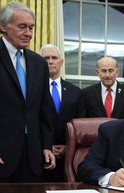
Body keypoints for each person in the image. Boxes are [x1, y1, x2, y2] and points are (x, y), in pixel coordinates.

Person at [0, 2, 55, 183]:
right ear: (3, 26)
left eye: (31, 27)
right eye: (22, 27)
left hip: (32, 159)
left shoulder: (39, 63)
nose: (29, 33)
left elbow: (44, 108)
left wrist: (46, 146)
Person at [40, 44, 86, 182]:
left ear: (61, 62)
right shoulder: (33, 90)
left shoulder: (75, 92)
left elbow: (81, 124)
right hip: (40, 157)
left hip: (68, 159)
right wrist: (45, 147)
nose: (50, 61)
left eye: (54, 58)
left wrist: (68, 147)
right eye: (46, 58)